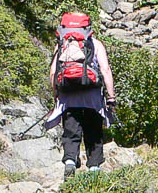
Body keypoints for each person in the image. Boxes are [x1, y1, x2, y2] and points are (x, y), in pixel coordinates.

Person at [42, 11, 116, 178]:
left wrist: (56, 95)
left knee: (71, 130)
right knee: (94, 132)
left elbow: (53, 72)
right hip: (93, 97)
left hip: (68, 96)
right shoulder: (96, 44)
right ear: (88, 28)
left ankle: (70, 161)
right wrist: (111, 97)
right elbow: (105, 70)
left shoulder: (62, 45)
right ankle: (94, 168)